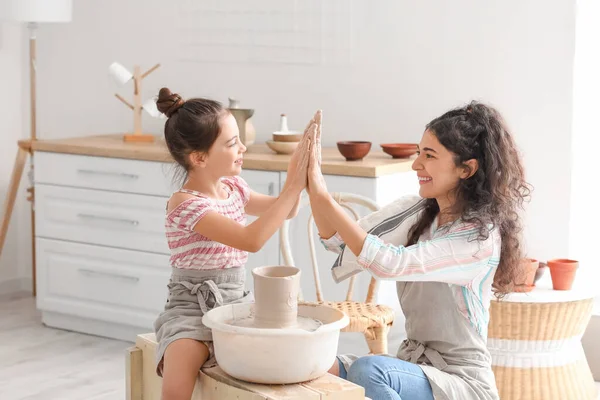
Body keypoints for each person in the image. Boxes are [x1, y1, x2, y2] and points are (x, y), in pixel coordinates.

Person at [307, 101, 531, 400]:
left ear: (467, 168)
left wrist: (324, 196)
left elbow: (390, 264)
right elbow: (338, 240)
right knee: (317, 366)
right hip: (414, 368)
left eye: (429, 155)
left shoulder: (478, 237)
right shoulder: (416, 211)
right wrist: (313, 187)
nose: (416, 164)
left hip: (461, 384)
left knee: (370, 371)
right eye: (418, 153)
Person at [153, 87, 319, 400]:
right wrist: (293, 186)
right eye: (232, 143)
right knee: (178, 382)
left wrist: (298, 170)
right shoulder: (185, 204)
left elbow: (288, 208)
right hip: (190, 309)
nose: (242, 147)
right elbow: (251, 240)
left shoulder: (234, 188)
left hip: (235, 304)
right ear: (199, 157)